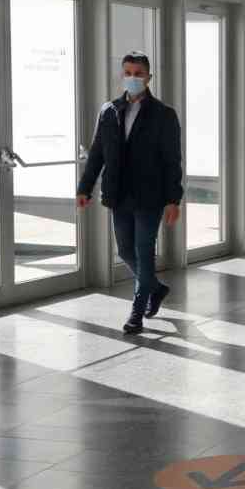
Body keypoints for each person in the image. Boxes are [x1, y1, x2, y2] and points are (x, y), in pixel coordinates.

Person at [77, 51, 182, 335]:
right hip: (119, 193)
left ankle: (137, 311)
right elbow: (97, 153)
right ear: (122, 75)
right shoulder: (109, 110)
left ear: (149, 77)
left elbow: (173, 161)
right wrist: (84, 187)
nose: (132, 78)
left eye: (138, 73)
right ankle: (155, 288)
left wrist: (174, 199)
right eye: (128, 73)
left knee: (143, 252)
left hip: (150, 196)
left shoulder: (164, 115)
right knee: (125, 249)